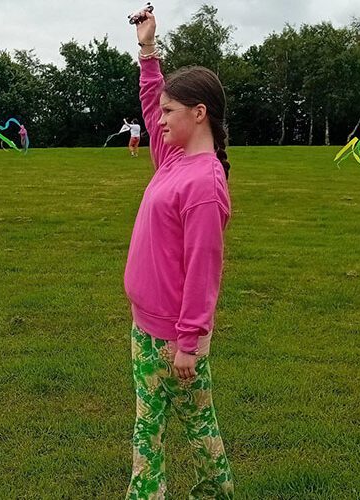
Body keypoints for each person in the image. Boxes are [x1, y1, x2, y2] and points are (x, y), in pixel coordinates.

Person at [123, 8, 234, 499]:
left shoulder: (205, 183)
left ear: (199, 113)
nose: (160, 119)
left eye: (171, 112)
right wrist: (148, 50)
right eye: (163, 112)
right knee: (152, 426)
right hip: (144, 325)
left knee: (196, 428)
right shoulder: (172, 157)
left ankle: (213, 492)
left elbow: (203, 271)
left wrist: (189, 342)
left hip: (173, 339)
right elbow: (150, 103)